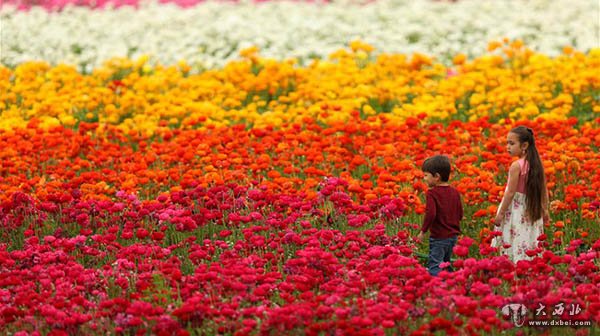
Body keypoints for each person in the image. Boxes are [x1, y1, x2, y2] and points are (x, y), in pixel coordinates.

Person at [491, 126, 549, 262]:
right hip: (532, 208)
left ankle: (514, 268)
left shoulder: (516, 166)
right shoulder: (536, 164)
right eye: (507, 143)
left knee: (514, 239)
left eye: (511, 143)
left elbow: (510, 193)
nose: (507, 147)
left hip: (516, 211)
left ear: (524, 145)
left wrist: (500, 213)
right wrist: (545, 209)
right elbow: (543, 190)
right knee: (529, 238)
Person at [417, 155, 463, 276]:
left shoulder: (432, 193)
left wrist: (423, 231)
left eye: (426, 175)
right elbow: (460, 213)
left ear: (437, 177)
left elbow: (431, 214)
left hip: (439, 237)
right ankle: (450, 286)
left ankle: (437, 289)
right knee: (446, 265)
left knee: (435, 266)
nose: (424, 178)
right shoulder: (455, 192)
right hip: (453, 236)